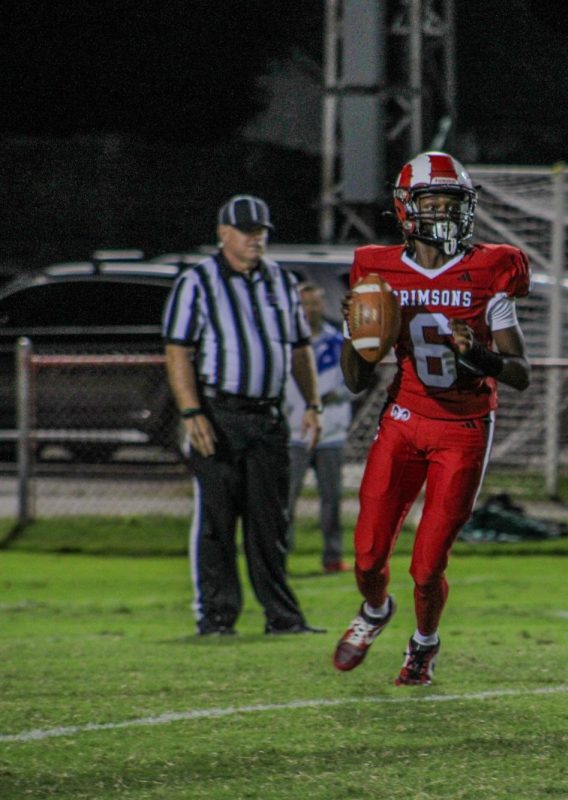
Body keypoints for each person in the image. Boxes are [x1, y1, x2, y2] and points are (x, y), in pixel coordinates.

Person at [331, 151, 531, 685]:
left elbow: (519, 374)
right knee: (368, 556)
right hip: (402, 418)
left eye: (452, 201)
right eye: (432, 200)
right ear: (406, 208)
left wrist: (480, 357)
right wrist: (357, 329)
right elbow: (355, 379)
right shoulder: (377, 266)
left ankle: (424, 643)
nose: (443, 211)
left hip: (463, 430)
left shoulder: (493, 268)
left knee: (426, 568)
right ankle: (375, 612)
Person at [163, 194, 326, 636]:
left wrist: (311, 404)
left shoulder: (280, 281)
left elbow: (298, 348)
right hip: (220, 412)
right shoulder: (197, 282)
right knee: (217, 520)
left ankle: (282, 616)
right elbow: (178, 350)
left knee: (270, 522)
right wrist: (192, 411)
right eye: (248, 230)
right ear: (224, 234)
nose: (257, 239)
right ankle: (216, 617)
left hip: (267, 415)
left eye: (262, 231)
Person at [285, 282, 355, 573]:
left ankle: (332, 557)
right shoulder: (286, 343)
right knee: (285, 500)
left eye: (314, 303)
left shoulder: (337, 342)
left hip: (331, 434)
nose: (310, 309)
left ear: (322, 306)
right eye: (304, 304)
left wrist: (331, 397)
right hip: (293, 433)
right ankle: (279, 557)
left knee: (332, 501)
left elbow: (353, 384)